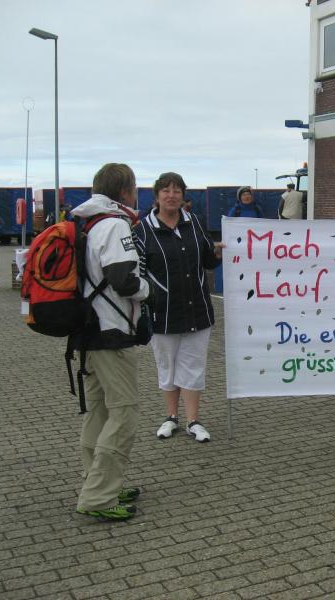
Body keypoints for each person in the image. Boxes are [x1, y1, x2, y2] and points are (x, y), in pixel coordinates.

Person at [70, 163, 151, 521]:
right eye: (134, 188)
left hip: (87, 330)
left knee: (99, 411)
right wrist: (148, 290)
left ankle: (97, 481)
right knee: (124, 412)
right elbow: (124, 280)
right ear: (125, 191)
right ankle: (100, 496)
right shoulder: (115, 224)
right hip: (111, 332)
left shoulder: (85, 222)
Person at [133, 172, 222, 443]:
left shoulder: (195, 222)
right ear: (157, 195)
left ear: (183, 195)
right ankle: (171, 417)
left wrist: (217, 253)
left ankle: (193, 420)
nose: (171, 196)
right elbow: (138, 273)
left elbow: (207, 261)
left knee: (193, 367)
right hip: (162, 313)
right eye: (166, 191)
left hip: (198, 311)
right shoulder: (142, 229)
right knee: (167, 366)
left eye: (177, 191)